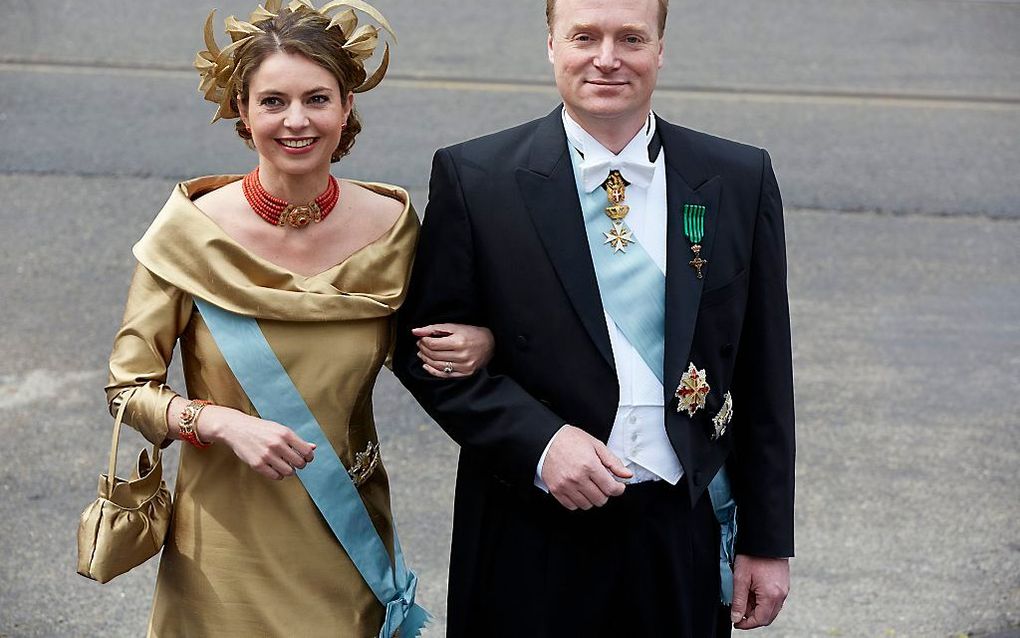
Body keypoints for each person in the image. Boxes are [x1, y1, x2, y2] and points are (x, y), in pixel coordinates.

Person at [394, 0, 795, 635]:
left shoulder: (738, 177)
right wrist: (540, 442)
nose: (607, 58)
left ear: (660, 50)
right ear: (551, 45)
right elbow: (425, 354)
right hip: (530, 526)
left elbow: (765, 370)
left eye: (630, 38)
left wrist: (767, 541)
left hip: (681, 525)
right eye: (584, 36)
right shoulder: (477, 177)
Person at [104, 2, 493, 635]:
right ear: (242, 110)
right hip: (223, 544)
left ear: (346, 109)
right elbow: (127, 391)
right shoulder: (187, 233)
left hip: (345, 532)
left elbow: (427, 347)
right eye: (273, 101)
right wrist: (219, 422)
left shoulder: (392, 230)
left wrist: (482, 338)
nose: (296, 121)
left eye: (317, 99)